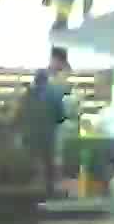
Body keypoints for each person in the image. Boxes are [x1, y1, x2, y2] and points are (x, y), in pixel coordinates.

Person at [25, 48, 77, 192]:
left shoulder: (30, 92)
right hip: (48, 135)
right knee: (48, 165)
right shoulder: (54, 91)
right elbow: (60, 116)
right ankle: (48, 191)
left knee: (36, 164)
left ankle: (37, 190)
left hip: (31, 135)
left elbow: (21, 113)